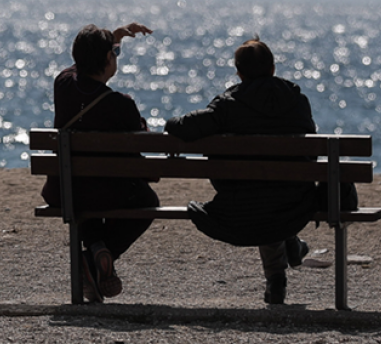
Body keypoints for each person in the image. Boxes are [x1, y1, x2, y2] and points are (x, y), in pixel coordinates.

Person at [164, 37, 316, 305]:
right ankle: (285, 256)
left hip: (242, 206)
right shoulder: (298, 101)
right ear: (272, 68)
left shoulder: (227, 106)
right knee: (271, 194)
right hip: (293, 202)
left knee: (258, 193)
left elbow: (180, 127)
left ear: (239, 72)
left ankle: (278, 272)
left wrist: (171, 121)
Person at [41, 22, 159, 303]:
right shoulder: (122, 104)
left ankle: (95, 246)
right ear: (108, 59)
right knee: (147, 201)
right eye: (113, 54)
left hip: (66, 189)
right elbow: (138, 155)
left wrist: (113, 42)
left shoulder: (62, 84)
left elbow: (80, 65)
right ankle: (100, 254)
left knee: (84, 193)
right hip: (110, 192)